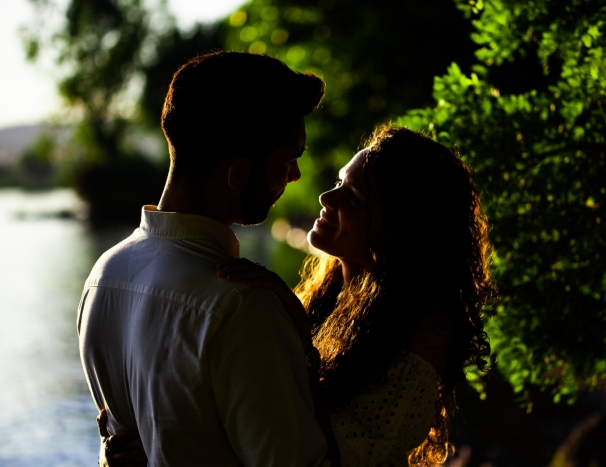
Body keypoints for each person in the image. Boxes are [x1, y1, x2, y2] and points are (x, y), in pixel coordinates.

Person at [101, 125, 494, 466]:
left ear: (402, 231)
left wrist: (300, 336)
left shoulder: (424, 332)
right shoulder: (329, 296)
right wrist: (135, 446)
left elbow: (340, 457)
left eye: (353, 197)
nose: (327, 198)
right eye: (340, 182)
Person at [78, 51, 337, 467]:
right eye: (289, 160)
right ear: (237, 174)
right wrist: (304, 351)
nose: (295, 177)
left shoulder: (103, 275)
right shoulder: (243, 307)